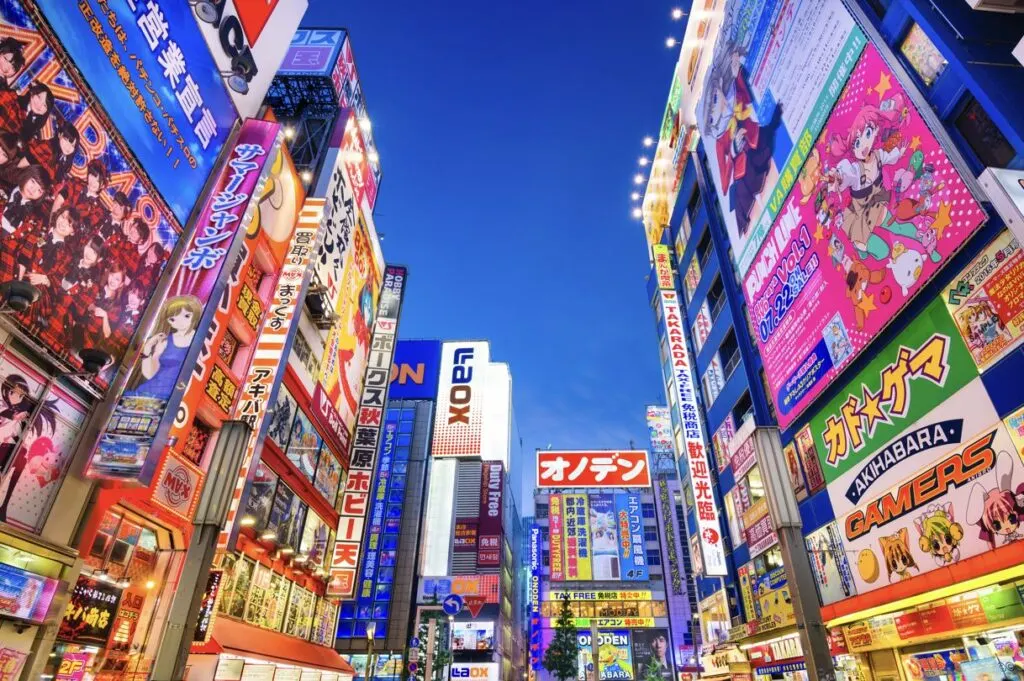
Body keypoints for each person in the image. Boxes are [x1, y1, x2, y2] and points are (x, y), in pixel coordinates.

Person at [127, 295, 202, 400]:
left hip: (176, 397)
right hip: (150, 393)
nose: (180, 322)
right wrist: (148, 348)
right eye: (173, 319)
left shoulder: (201, 341)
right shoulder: (165, 340)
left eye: (186, 316)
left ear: (195, 315)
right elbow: (150, 374)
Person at [0, 374, 32, 471]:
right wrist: (16, 417)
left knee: (22, 453)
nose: (17, 398)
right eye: (13, 392)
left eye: (21, 395)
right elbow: (5, 412)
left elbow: (15, 433)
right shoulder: (3, 405)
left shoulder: (17, 414)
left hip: (5, 443)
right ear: (6, 391)